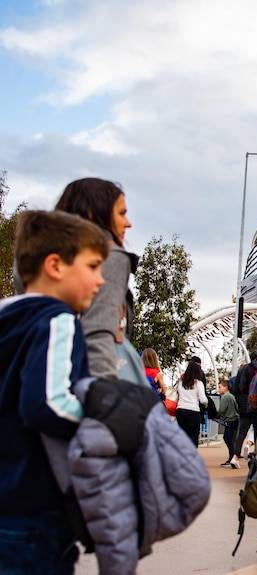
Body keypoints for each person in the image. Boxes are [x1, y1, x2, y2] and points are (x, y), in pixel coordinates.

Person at [0, 210, 108, 574]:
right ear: (55, 266)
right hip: (35, 507)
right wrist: (101, 420)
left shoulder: (7, 318)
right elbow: (48, 403)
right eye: (93, 266)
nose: (100, 280)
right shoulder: (58, 319)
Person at [53, 178, 135, 379]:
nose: (128, 223)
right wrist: (105, 396)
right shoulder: (109, 257)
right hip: (93, 383)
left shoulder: (44, 259)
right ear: (93, 213)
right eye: (122, 213)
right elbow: (97, 335)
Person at [232, 343, 257, 466]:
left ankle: (255, 458)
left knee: (255, 431)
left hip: (253, 406)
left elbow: (242, 387)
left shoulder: (247, 368)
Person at [176, 359, 208, 446]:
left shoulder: (181, 382)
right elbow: (203, 400)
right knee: (193, 435)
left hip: (181, 409)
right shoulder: (198, 383)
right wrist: (206, 404)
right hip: (193, 410)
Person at [217, 380, 240, 468]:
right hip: (235, 419)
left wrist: (217, 414)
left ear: (226, 387)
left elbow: (222, 409)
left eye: (220, 387)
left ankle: (232, 457)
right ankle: (233, 456)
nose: (219, 389)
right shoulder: (232, 396)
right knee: (231, 438)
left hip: (229, 420)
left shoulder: (225, 397)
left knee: (227, 438)